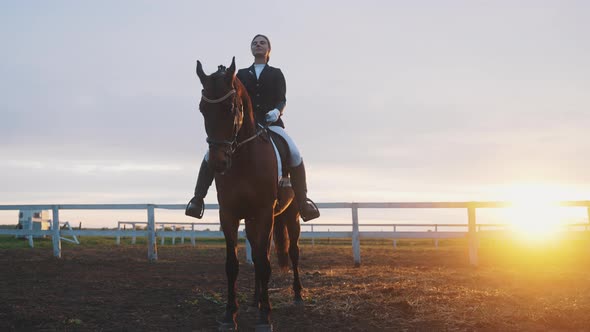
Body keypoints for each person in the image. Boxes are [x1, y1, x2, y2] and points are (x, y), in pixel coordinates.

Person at [186, 34, 320, 222]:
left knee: (295, 153)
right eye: (255, 43)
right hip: (246, 125)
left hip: (271, 124)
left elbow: (282, 98)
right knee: (210, 154)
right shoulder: (240, 74)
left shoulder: (276, 73)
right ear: (251, 49)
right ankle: (198, 199)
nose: (258, 45)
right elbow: (234, 95)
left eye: (262, 43)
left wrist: (277, 111)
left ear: (268, 49)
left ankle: (303, 202)